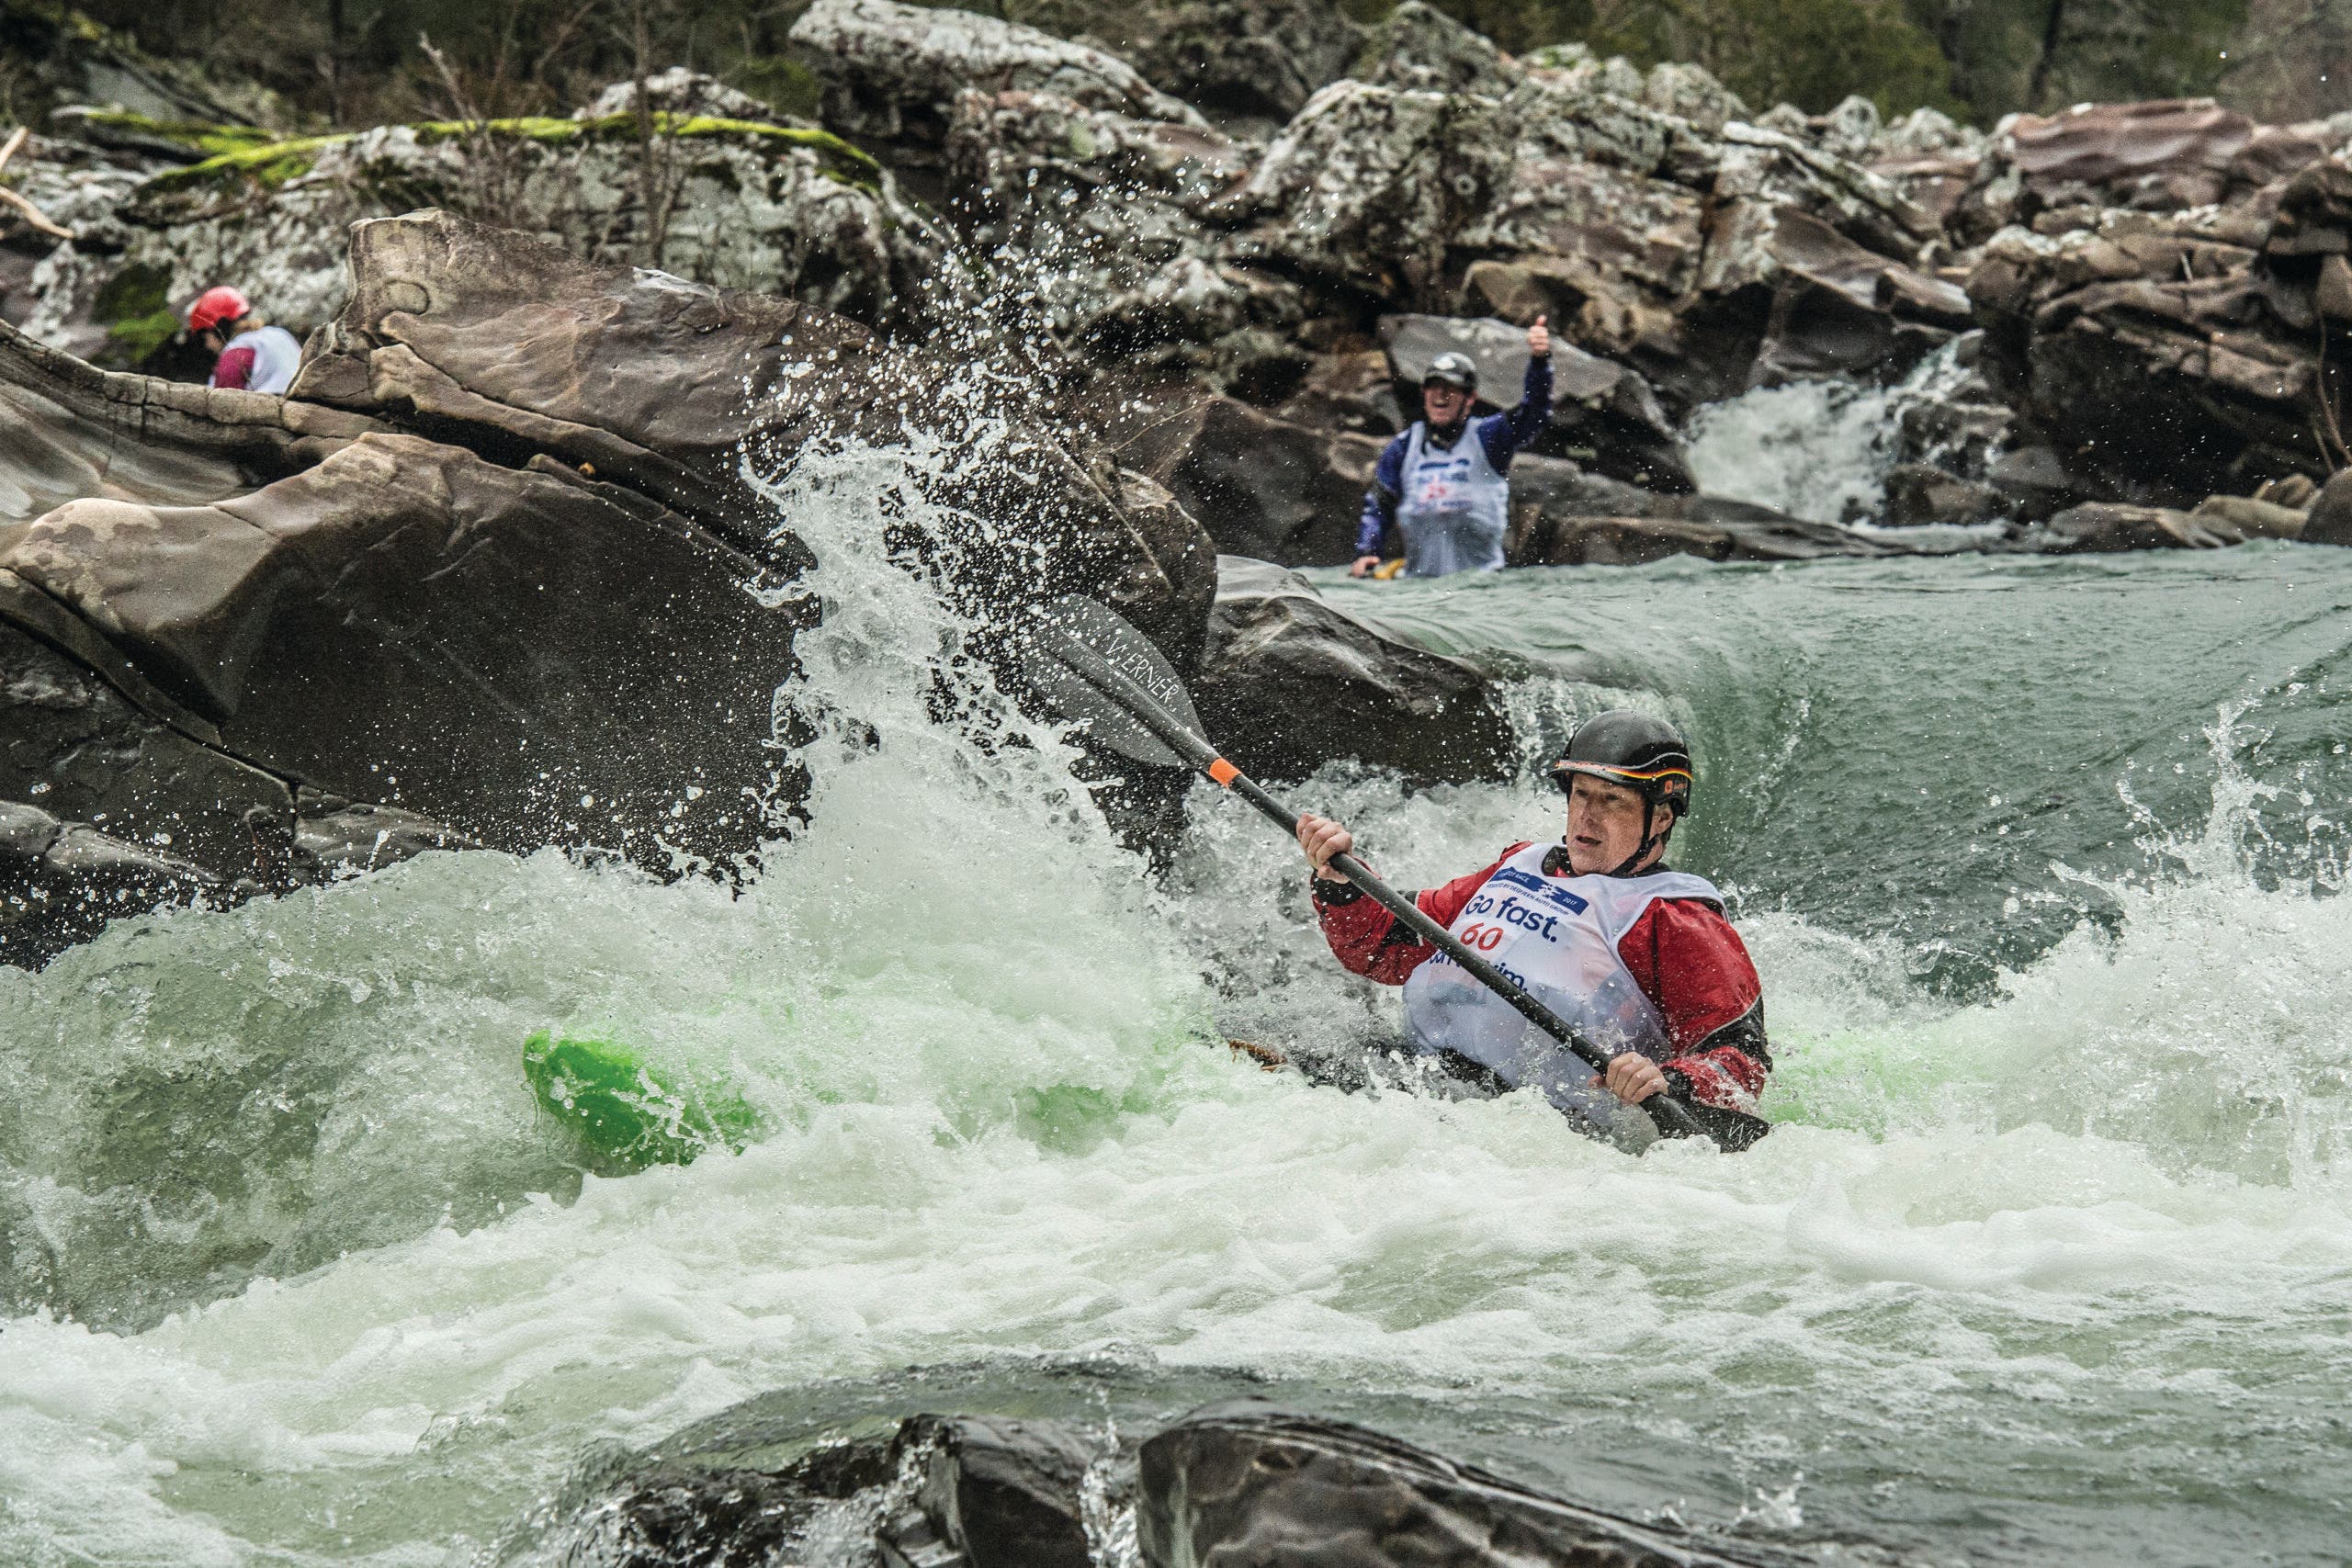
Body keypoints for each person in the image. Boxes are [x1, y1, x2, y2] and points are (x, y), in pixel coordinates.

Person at [1295, 710, 1770, 1148]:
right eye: (1580, 794)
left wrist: (1668, 1080)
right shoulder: (1519, 865)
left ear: (1661, 817)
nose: (1587, 817)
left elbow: (1739, 1059)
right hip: (1417, 1079)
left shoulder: (1676, 918)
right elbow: (1386, 946)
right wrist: (1341, 884)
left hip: (1545, 1133)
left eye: (1611, 800)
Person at [1350, 315, 1554, 580]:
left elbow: (1534, 413)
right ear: (1423, 394)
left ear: (1470, 398)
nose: (1440, 395)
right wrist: (1367, 550)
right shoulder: (1403, 448)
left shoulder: (1489, 437)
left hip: (1481, 586)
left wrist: (1540, 362)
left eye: (1451, 388)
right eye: (1434, 387)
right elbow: (1379, 504)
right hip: (1418, 588)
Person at [185, 286, 301, 395]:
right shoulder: (279, 334)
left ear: (219, 327)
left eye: (204, 338)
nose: (207, 345)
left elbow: (224, 405)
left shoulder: (232, 357)